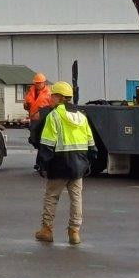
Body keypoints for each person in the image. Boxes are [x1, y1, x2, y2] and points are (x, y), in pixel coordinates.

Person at [30, 80, 96, 245]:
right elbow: (91, 143)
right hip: (78, 164)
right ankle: (74, 232)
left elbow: (47, 143)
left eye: (52, 96)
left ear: (59, 98)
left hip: (59, 163)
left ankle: (47, 230)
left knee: (52, 197)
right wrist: (88, 163)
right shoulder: (82, 116)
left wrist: (42, 164)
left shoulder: (54, 116)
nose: (50, 98)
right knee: (76, 198)